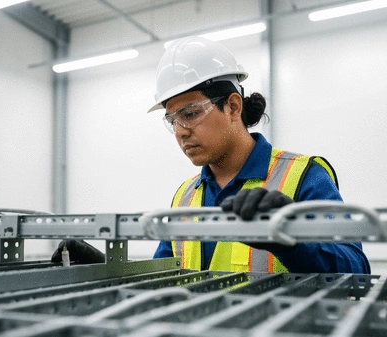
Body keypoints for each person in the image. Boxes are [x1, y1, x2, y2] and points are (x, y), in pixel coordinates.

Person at [52, 36, 370, 275]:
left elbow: (356, 270)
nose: (180, 131)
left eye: (190, 114)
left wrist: (292, 241)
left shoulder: (303, 177)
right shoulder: (186, 195)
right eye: (172, 120)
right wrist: (105, 268)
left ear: (232, 106)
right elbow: (164, 277)